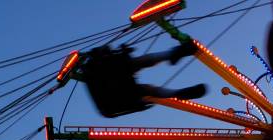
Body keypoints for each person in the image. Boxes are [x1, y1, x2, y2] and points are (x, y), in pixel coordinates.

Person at [78, 40, 207, 118]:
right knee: (140, 64)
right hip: (116, 92)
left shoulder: (95, 67)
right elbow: (108, 62)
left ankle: (176, 92)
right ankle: (171, 55)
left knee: (148, 87)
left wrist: (122, 54)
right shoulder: (96, 66)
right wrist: (123, 53)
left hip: (119, 93)